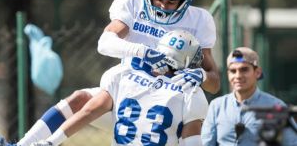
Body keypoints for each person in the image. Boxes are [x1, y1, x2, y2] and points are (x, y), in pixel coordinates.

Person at [0, 0, 220, 145]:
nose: (163, 6)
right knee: (79, 98)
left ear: (186, 0)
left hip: (170, 104)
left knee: (194, 120)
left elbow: (214, 81)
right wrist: (142, 52)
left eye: (172, 1)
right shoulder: (132, 3)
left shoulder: (199, 20)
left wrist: (199, 75)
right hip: (130, 95)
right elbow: (105, 43)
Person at [31, 30, 208, 146]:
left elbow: (88, 112)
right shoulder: (191, 93)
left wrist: (52, 142)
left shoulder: (124, 75)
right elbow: (191, 142)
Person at [201, 47, 297, 146]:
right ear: (228, 74)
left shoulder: (276, 107)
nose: (238, 76)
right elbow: (206, 143)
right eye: (233, 71)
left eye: (244, 69)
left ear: (258, 72)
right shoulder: (216, 106)